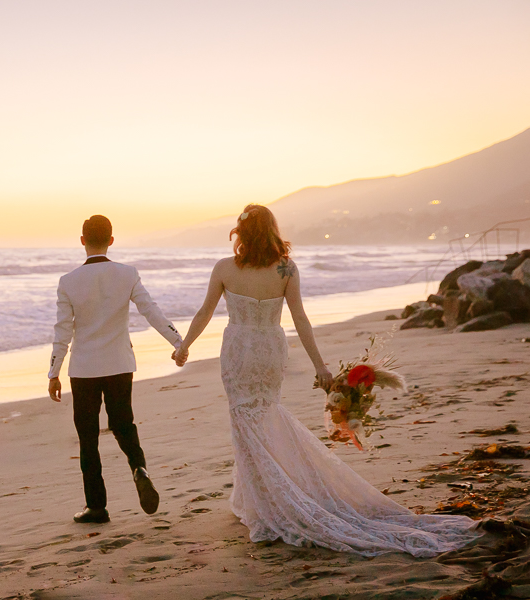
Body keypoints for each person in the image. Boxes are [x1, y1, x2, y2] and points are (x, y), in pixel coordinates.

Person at [173, 204, 478, 556]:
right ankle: (253, 497)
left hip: (239, 350)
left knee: (244, 419)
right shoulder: (286, 268)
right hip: (271, 348)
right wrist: (319, 365)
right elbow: (300, 318)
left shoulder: (225, 268)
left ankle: (265, 501)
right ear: (271, 229)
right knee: (265, 414)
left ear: (240, 232)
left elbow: (205, 312)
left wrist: (185, 346)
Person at [48, 215, 183, 524]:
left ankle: (96, 507)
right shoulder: (127, 274)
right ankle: (139, 468)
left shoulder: (68, 282)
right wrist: (178, 342)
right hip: (120, 364)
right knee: (124, 424)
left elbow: (62, 332)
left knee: (88, 437)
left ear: (82, 240)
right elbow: (152, 312)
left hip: (83, 369)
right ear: (111, 240)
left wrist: (53, 372)